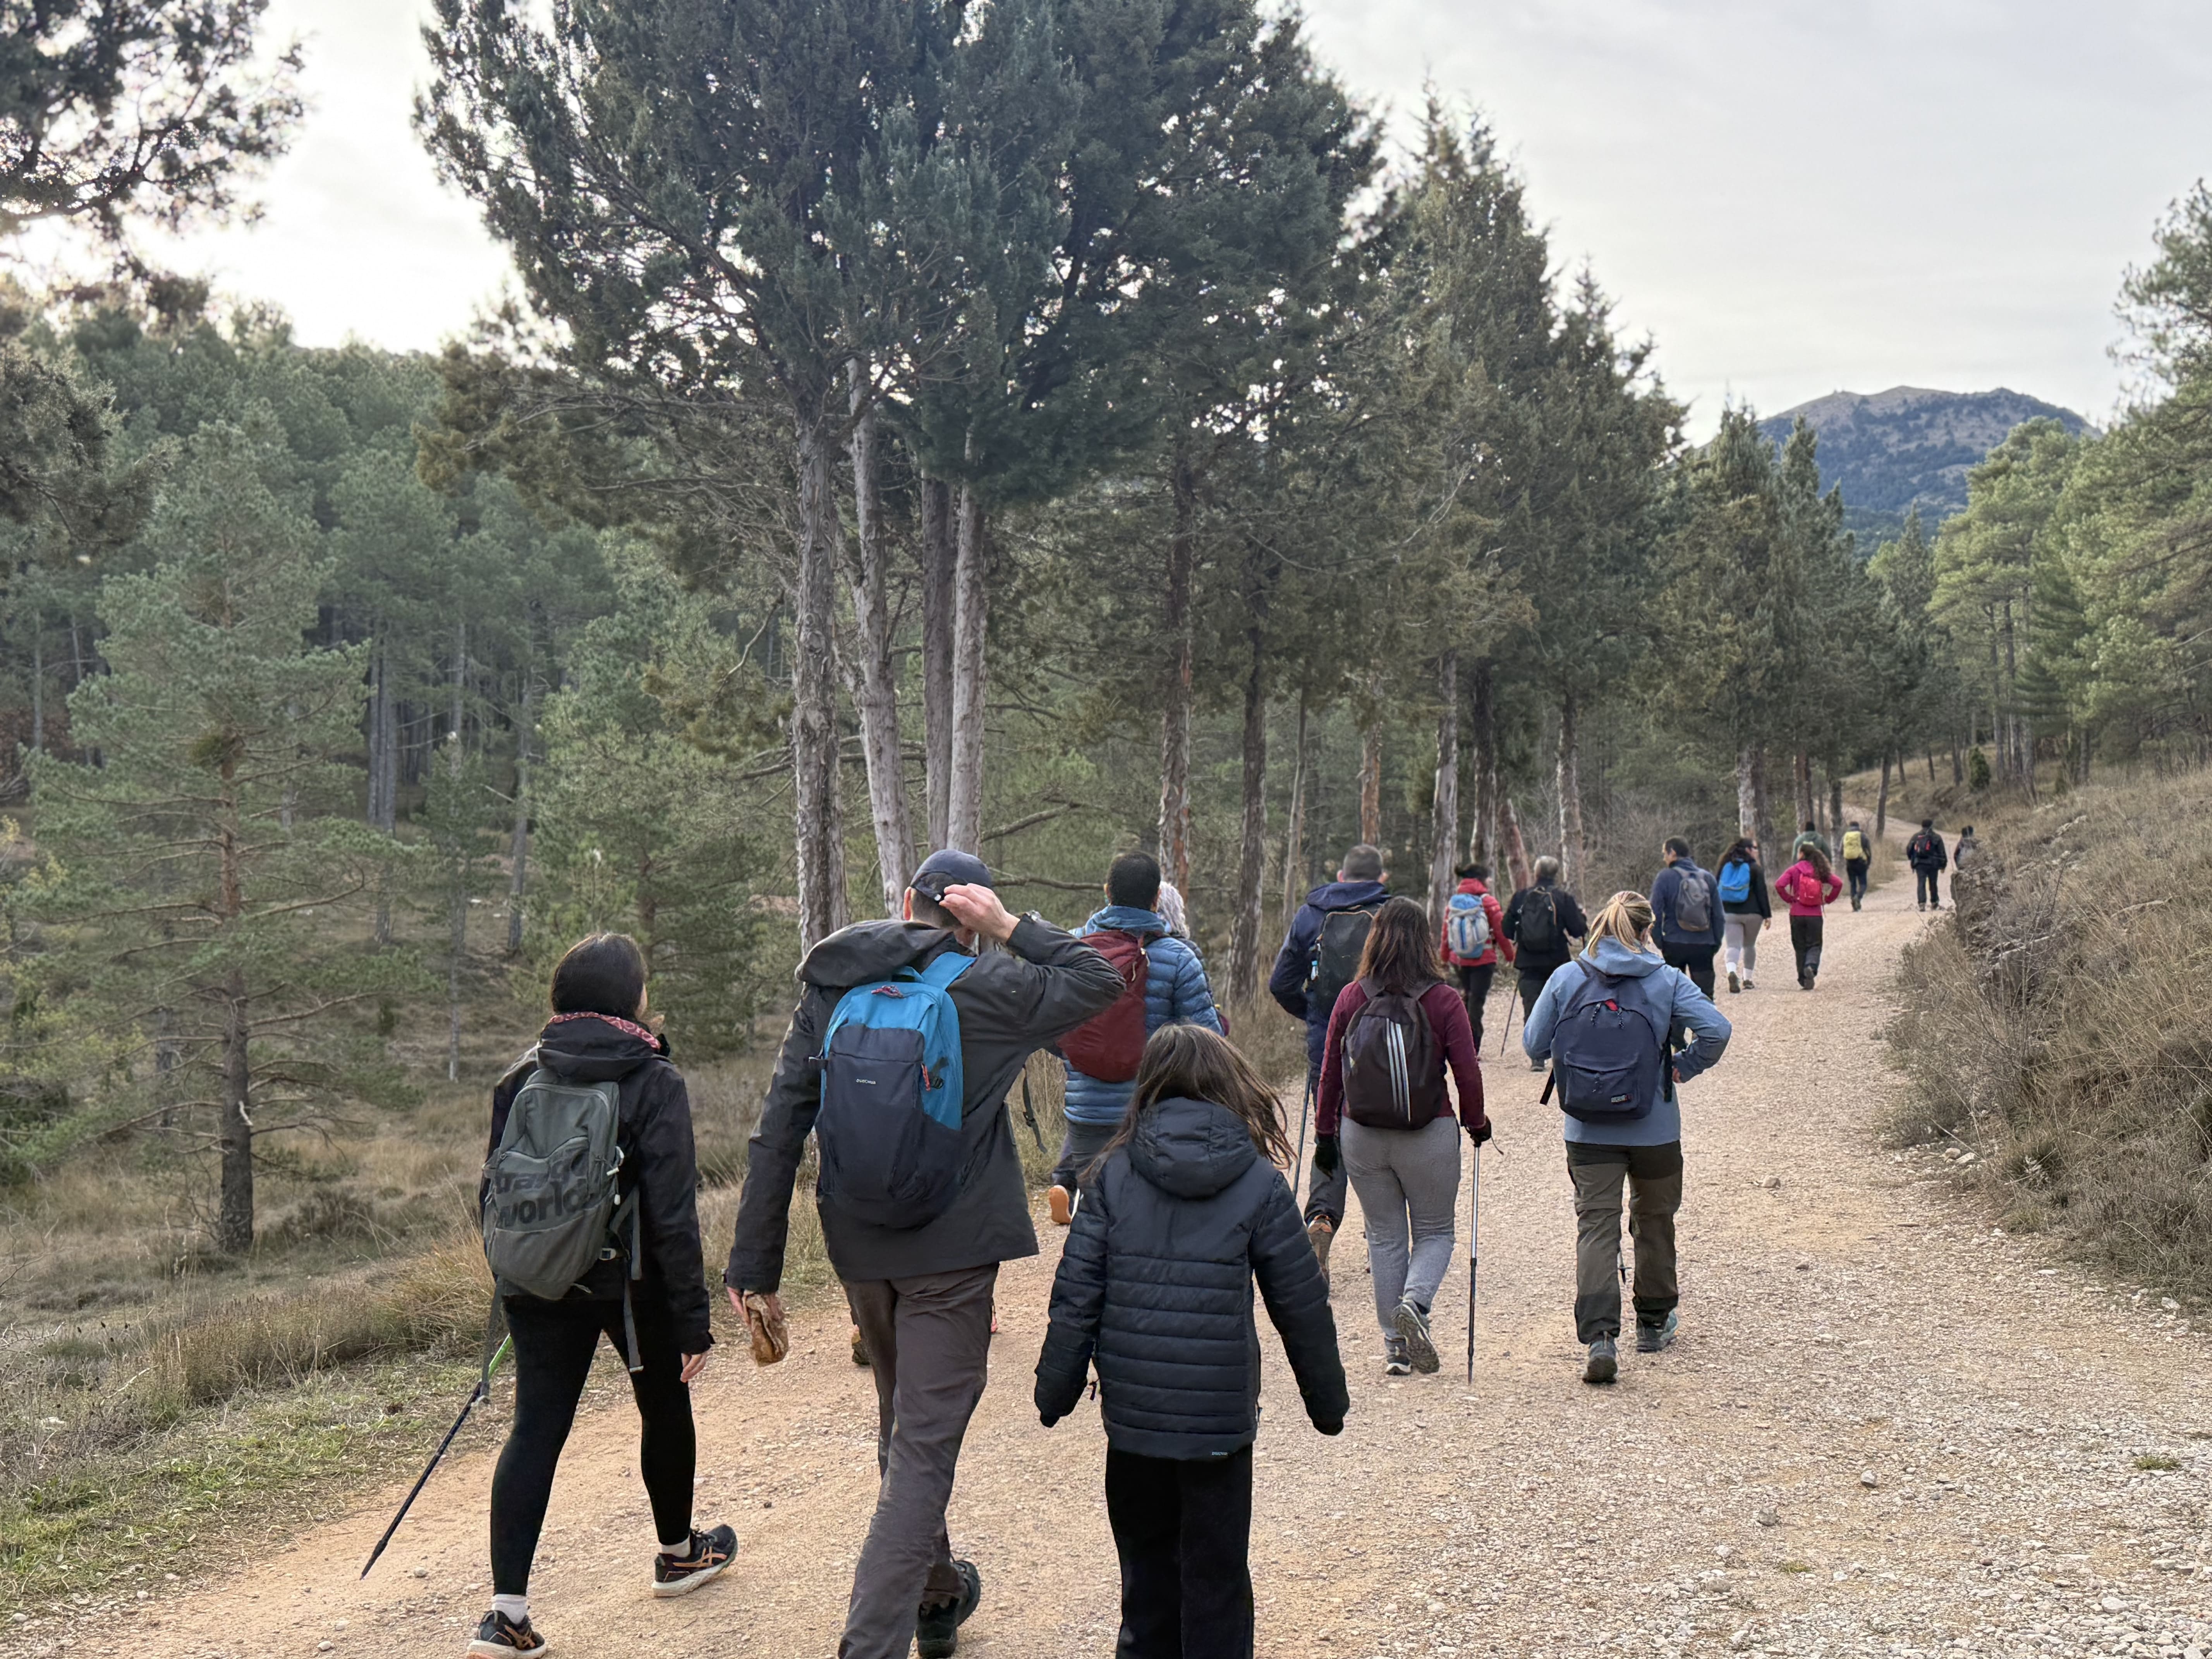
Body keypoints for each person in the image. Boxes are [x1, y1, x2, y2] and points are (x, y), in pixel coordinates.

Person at [724, 850, 1121, 1659]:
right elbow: (1101, 982)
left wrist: (754, 1266)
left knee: (904, 1425)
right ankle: (869, 1644)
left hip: (861, 1241)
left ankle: (936, 1596)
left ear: (906, 902)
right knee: (923, 1443)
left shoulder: (833, 982)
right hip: (955, 1246)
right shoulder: (990, 986)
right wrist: (1010, 928)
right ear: (967, 916)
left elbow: (780, 1127)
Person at [1035, 1025, 1347, 1659]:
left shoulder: (1110, 1175)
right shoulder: (1257, 1180)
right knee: (1217, 1586)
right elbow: (1301, 1302)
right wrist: (1327, 1404)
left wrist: (1055, 1391)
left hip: (1134, 1429)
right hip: (1218, 1429)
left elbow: (1075, 1298)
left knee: (1146, 1590)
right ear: (1227, 1085)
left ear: (1146, 1085)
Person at [471, 933, 735, 1659]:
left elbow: (493, 1192)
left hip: (536, 1277)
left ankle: (505, 1614)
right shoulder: (653, 1078)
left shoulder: (521, 1075)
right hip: (634, 1280)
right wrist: (691, 1320)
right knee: (662, 1403)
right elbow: (675, 1213)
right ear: (630, 998)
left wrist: (522, 1267)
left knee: (535, 1427)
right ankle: (680, 1553)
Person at [1522, 893, 1731, 1386]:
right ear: (1645, 933)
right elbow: (1717, 1030)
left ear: (1598, 930)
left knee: (1597, 1227)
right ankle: (1654, 1324)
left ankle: (1600, 1338)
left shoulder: (1567, 977)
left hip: (1587, 1131)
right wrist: (1683, 1066)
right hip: (1655, 1128)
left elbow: (1533, 1043)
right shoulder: (1665, 979)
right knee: (1654, 1219)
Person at [1315, 896, 1491, 1376]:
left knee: (1385, 1238)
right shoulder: (1443, 999)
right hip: (1427, 1131)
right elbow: (1467, 1072)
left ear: (1375, 939)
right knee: (1435, 1232)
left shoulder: (1353, 996)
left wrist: (1325, 1134)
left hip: (1362, 1134)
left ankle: (1395, 1346)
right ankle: (1415, 1303)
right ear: (1425, 939)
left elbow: (1329, 1072)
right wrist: (1476, 1124)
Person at [1048, 850, 1224, 1227]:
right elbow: (1208, 1043)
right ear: (1156, 899)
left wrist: (1078, 1060)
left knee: (1097, 1217)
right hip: (1154, 1111)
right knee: (1151, 1219)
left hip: (1087, 1112)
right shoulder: (1179, 958)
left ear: (1107, 892)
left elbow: (1051, 1028)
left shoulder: (1071, 949)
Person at [1267, 843, 1391, 1279]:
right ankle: (1384, 1237)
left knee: (1330, 1130)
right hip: (1386, 1041)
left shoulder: (1311, 913)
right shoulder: (1392, 913)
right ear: (1381, 878)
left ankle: (1321, 1217)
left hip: (1327, 1043)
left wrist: (1318, 1016)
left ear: (1341, 876)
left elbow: (1281, 983)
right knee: (1381, 1128)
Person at [1502, 857, 1589, 1070]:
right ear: (1556, 873)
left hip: (1528, 962)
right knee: (1562, 1006)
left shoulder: (1521, 897)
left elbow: (1506, 929)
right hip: (1557, 962)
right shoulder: (1563, 898)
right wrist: (1581, 918)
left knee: (1532, 1007)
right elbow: (1578, 930)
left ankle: (1537, 1058)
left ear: (1536, 873)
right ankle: (1563, 1053)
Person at [1439, 860, 1513, 1051]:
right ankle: (1473, 1046)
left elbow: (1446, 933)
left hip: (1460, 960)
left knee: (1466, 998)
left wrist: (1444, 959)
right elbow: (1501, 932)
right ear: (1481, 879)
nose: (1490, 880)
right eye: (1488, 877)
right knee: (1476, 1002)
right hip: (1484, 960)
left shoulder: (1454, 903)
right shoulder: (1488, 902)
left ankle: (1460, 1041)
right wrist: (1511, 955)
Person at [1649, 837, 1723, 999]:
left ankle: (1677, 1025)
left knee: (1674, 999)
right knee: (1705, 1000)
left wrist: (1661, 942)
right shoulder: (1708, 878)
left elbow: (1654, 912)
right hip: (1704, 946)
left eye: (1665, 854)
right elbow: (1718, 916)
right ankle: (1705, 1025)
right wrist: (1715, 943)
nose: (1664, 858)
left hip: (1675, 945)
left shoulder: (1665, 877)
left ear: (1673, 853)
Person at [1775, 841, 1844, 990]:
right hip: (1815, 915)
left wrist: (1790, 899)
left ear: (1802, 854)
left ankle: (1803, 979)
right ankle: (1811, 967)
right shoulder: (1820, 871)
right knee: (1815, 945)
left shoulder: (1794, 870)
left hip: (1797, 914)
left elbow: (1779, 885)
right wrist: (1827, 899)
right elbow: (1838, 883)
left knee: (1800, 946)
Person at [1714, 835, 1771, 994]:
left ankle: (1732, 972)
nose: (1757, 851)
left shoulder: (1725, 865)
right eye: (1755, 848)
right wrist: (1767, 915)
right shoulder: (1755, 869)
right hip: (1754, 914)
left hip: (1730, 913)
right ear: (1748, 850)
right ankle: (1748, 980)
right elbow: (1762, 893)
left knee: (1733, 946)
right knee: (1749, 945)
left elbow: (1716, 887)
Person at [1906, 818, 1948, 911]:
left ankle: (1922, 903)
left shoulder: (1916, 836)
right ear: (1931, 826)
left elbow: (1909, 849)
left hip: (1920, 864)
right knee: (1933, 883)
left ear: (1922, 826)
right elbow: (1942, 852)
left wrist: (1912, 860)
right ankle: (1934, 902)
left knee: (1921, 883)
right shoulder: (1937, 837)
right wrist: (1943, 865)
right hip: (1933, 864)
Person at [1840, 820, 1871, 911]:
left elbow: (1841, 851)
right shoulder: (1862, 836)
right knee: (1863, 884)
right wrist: (1869, 862)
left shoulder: (1845, 836)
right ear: (1858, 826)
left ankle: (1855, 906)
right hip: (1861, 862)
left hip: (1850, 863)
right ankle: (1858, 898)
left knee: (1853, 884)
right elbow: (1868, 850)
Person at [1953, 825, 1978, 906]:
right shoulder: (1976, 843)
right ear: (1972, 833)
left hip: (1962, 867)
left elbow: (1955, 855)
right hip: (1974, 867)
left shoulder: (1961, 843)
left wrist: (1958, 866)